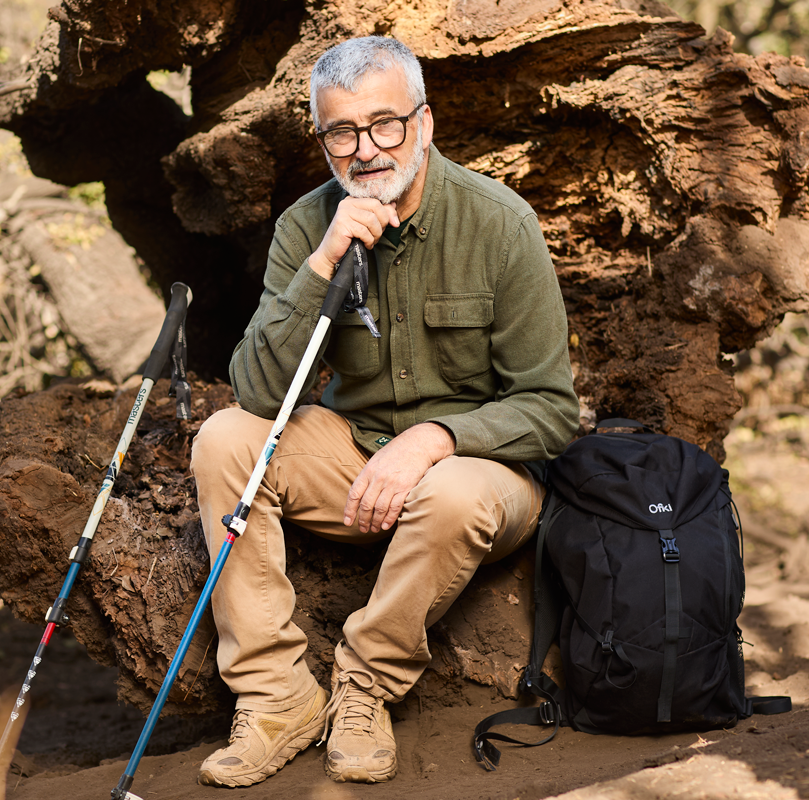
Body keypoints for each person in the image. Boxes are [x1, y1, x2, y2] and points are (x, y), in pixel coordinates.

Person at [189, 35, 579, 787]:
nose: (366, 150)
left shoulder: (500, 224)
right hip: (354, 456)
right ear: (323, 140)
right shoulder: (308, 227)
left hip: (481, 477)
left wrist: (437, 437)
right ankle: (276, 701)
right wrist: (322, 266)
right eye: (342, 132)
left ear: (424, 123)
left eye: (385, 124)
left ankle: (364, 688)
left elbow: (553, 410)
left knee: (452, 488)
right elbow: (258, 394)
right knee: (223, 439)